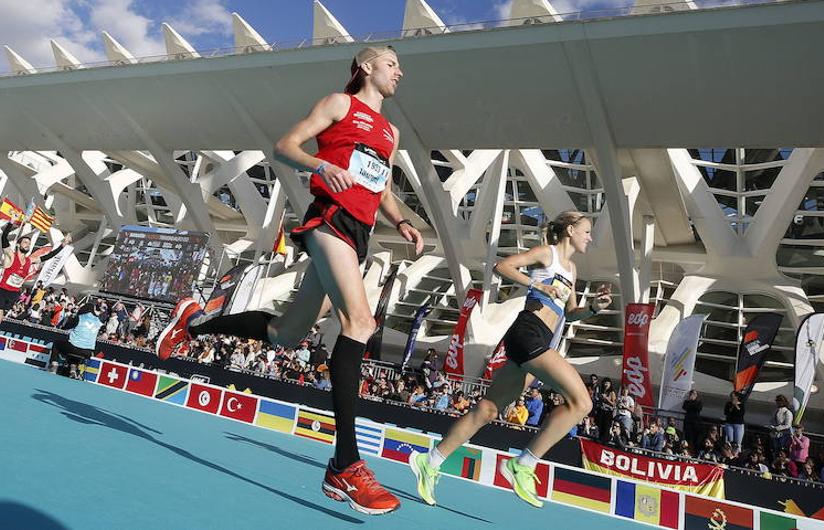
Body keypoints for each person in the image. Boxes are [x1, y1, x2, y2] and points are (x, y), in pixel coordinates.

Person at [156, 45, 423, 515]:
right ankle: (346, 464)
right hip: (328, 221)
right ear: (366, 67)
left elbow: (380, 186)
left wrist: (401, 221)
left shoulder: (391, 131)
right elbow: (286, 147)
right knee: (360, 323)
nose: (400, 71)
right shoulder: (341, 105)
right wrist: (323, 166)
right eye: (391, 63)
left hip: (359, 233)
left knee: (285, 334)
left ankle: (195, 322)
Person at [409, 211, 610, 509]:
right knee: (582, 403)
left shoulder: (572, 270)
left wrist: (593, 307)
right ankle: (524, 464)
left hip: (539, 339)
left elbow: (569, 312)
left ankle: (431, 461)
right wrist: (537, 285)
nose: (590, 237)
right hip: (529, 333)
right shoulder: (547, 253)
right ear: (570, 230)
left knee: (487, 410)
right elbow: (503, 266)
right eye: (587, 231)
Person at [0, 226, 70, 364]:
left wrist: (63, 245)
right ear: (18, 244)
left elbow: (48, 256)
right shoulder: (11, 255)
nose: (27, 245)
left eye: (29, 244)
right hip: (1, 290)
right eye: (25, 242)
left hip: (13, 294)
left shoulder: (30, 261)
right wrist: (11, 223)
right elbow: (3, 238)